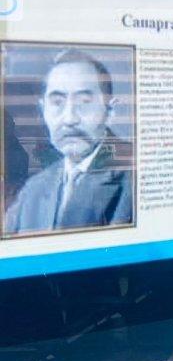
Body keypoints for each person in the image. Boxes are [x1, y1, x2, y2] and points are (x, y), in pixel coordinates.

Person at [3, 48, 133, 235]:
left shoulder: (135, 178)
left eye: (84, 102)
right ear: (43, 109)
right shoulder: (33, 190)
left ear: (110, 111)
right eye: (57, 103)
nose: (69, 118)